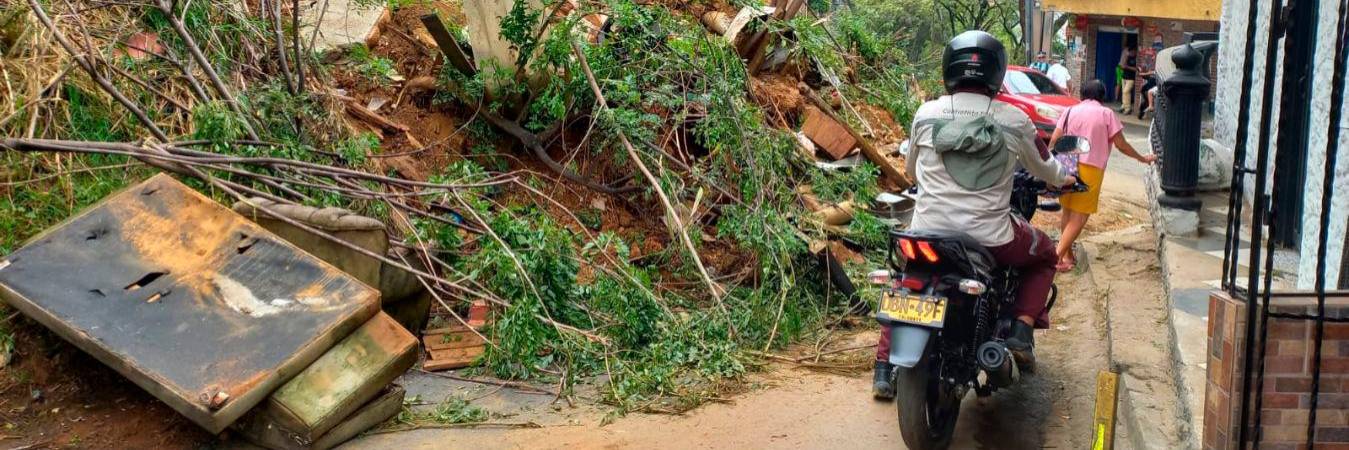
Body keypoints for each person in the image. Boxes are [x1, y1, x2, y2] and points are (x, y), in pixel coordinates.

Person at [873, 30, 1076, 400]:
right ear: (997, 72)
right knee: (1046, 253)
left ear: (949, 69)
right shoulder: (1015, 120)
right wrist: (1068, 178)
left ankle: (884, 366)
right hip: (990, 238)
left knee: (906, 279)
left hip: (926, 231)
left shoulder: (926, 113)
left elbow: (911, 172)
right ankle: (1020, 331)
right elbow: (1048, 169)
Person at [1048, 80, 1158, 272]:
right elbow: (1121, 145)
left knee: (1067, 210)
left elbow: (1055, 139)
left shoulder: (1070, 111)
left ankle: (1068, 255)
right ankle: (1055, 259)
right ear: (1102, 96)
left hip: (1066, 165)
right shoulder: (1106, 114)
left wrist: (1049, 162)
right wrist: (1142, 158)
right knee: (1080, 216)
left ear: (1082, 94)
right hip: (1091, 168)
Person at [1118, 46, 1140, 114]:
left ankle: (1128, 108)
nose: (1131, 53)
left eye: (1132, 52)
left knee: (1126, 92)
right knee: (1124, 92)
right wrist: (1125, 57)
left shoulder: (1136, 59)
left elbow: (1136, 69)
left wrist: (1127, 67)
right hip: (1124, 77)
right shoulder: (1127, 57)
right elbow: (1121, 66)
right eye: (1130, 52)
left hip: (1131, 78)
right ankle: (1123, 106)